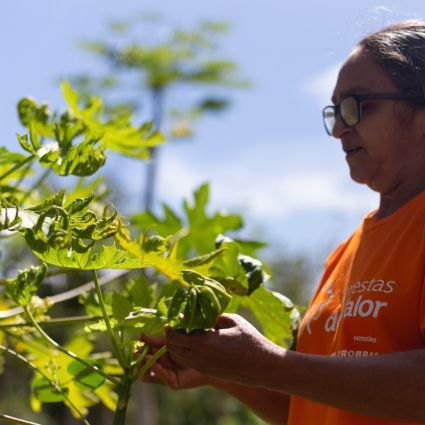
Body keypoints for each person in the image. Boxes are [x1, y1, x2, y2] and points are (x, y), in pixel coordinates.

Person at [142, 20, 425, 424]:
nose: (340, 129)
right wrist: (224, 373)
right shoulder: (346, 252)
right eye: (335, 111)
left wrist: (268, 364)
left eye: (357, 105)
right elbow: (314, 407)